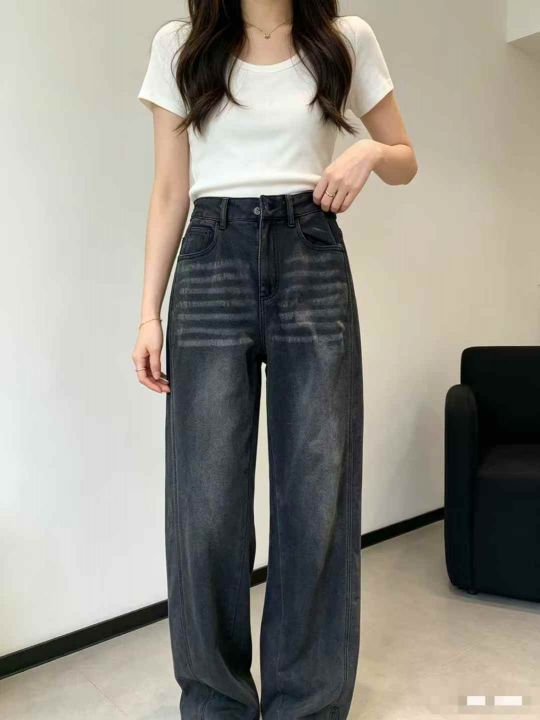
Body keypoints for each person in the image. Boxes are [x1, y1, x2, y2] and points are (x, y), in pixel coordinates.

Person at [134, 1, 417, 718]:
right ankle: (216, 704)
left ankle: (306, 705)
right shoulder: (182, 45)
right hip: (210, 262)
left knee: (316, 494)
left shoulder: (344, 40)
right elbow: (169, 190)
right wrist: (148, 313)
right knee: (205, 505)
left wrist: (368, 152)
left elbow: (405, 158)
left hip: (310, 257)